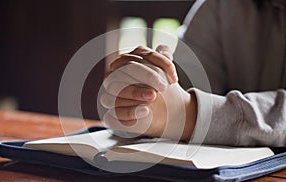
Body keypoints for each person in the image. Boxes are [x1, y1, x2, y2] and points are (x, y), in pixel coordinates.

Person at [101, 0, 286, 147]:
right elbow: (182, 91)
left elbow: (180, 110)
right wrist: (141, 97)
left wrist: (185, 115)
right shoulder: (219, 6)